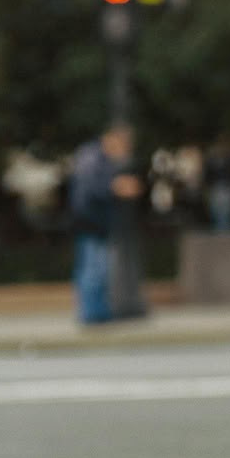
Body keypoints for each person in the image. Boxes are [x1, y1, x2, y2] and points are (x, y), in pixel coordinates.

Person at [68, 125, 144, 325]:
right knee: (93, 268)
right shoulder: (92, 156)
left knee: (101, 268)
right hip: (90, 221)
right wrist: (116, 187)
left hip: (98, 222)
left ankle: (99, 311)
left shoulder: (101, 159)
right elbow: (91, 187)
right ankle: (91, 313)